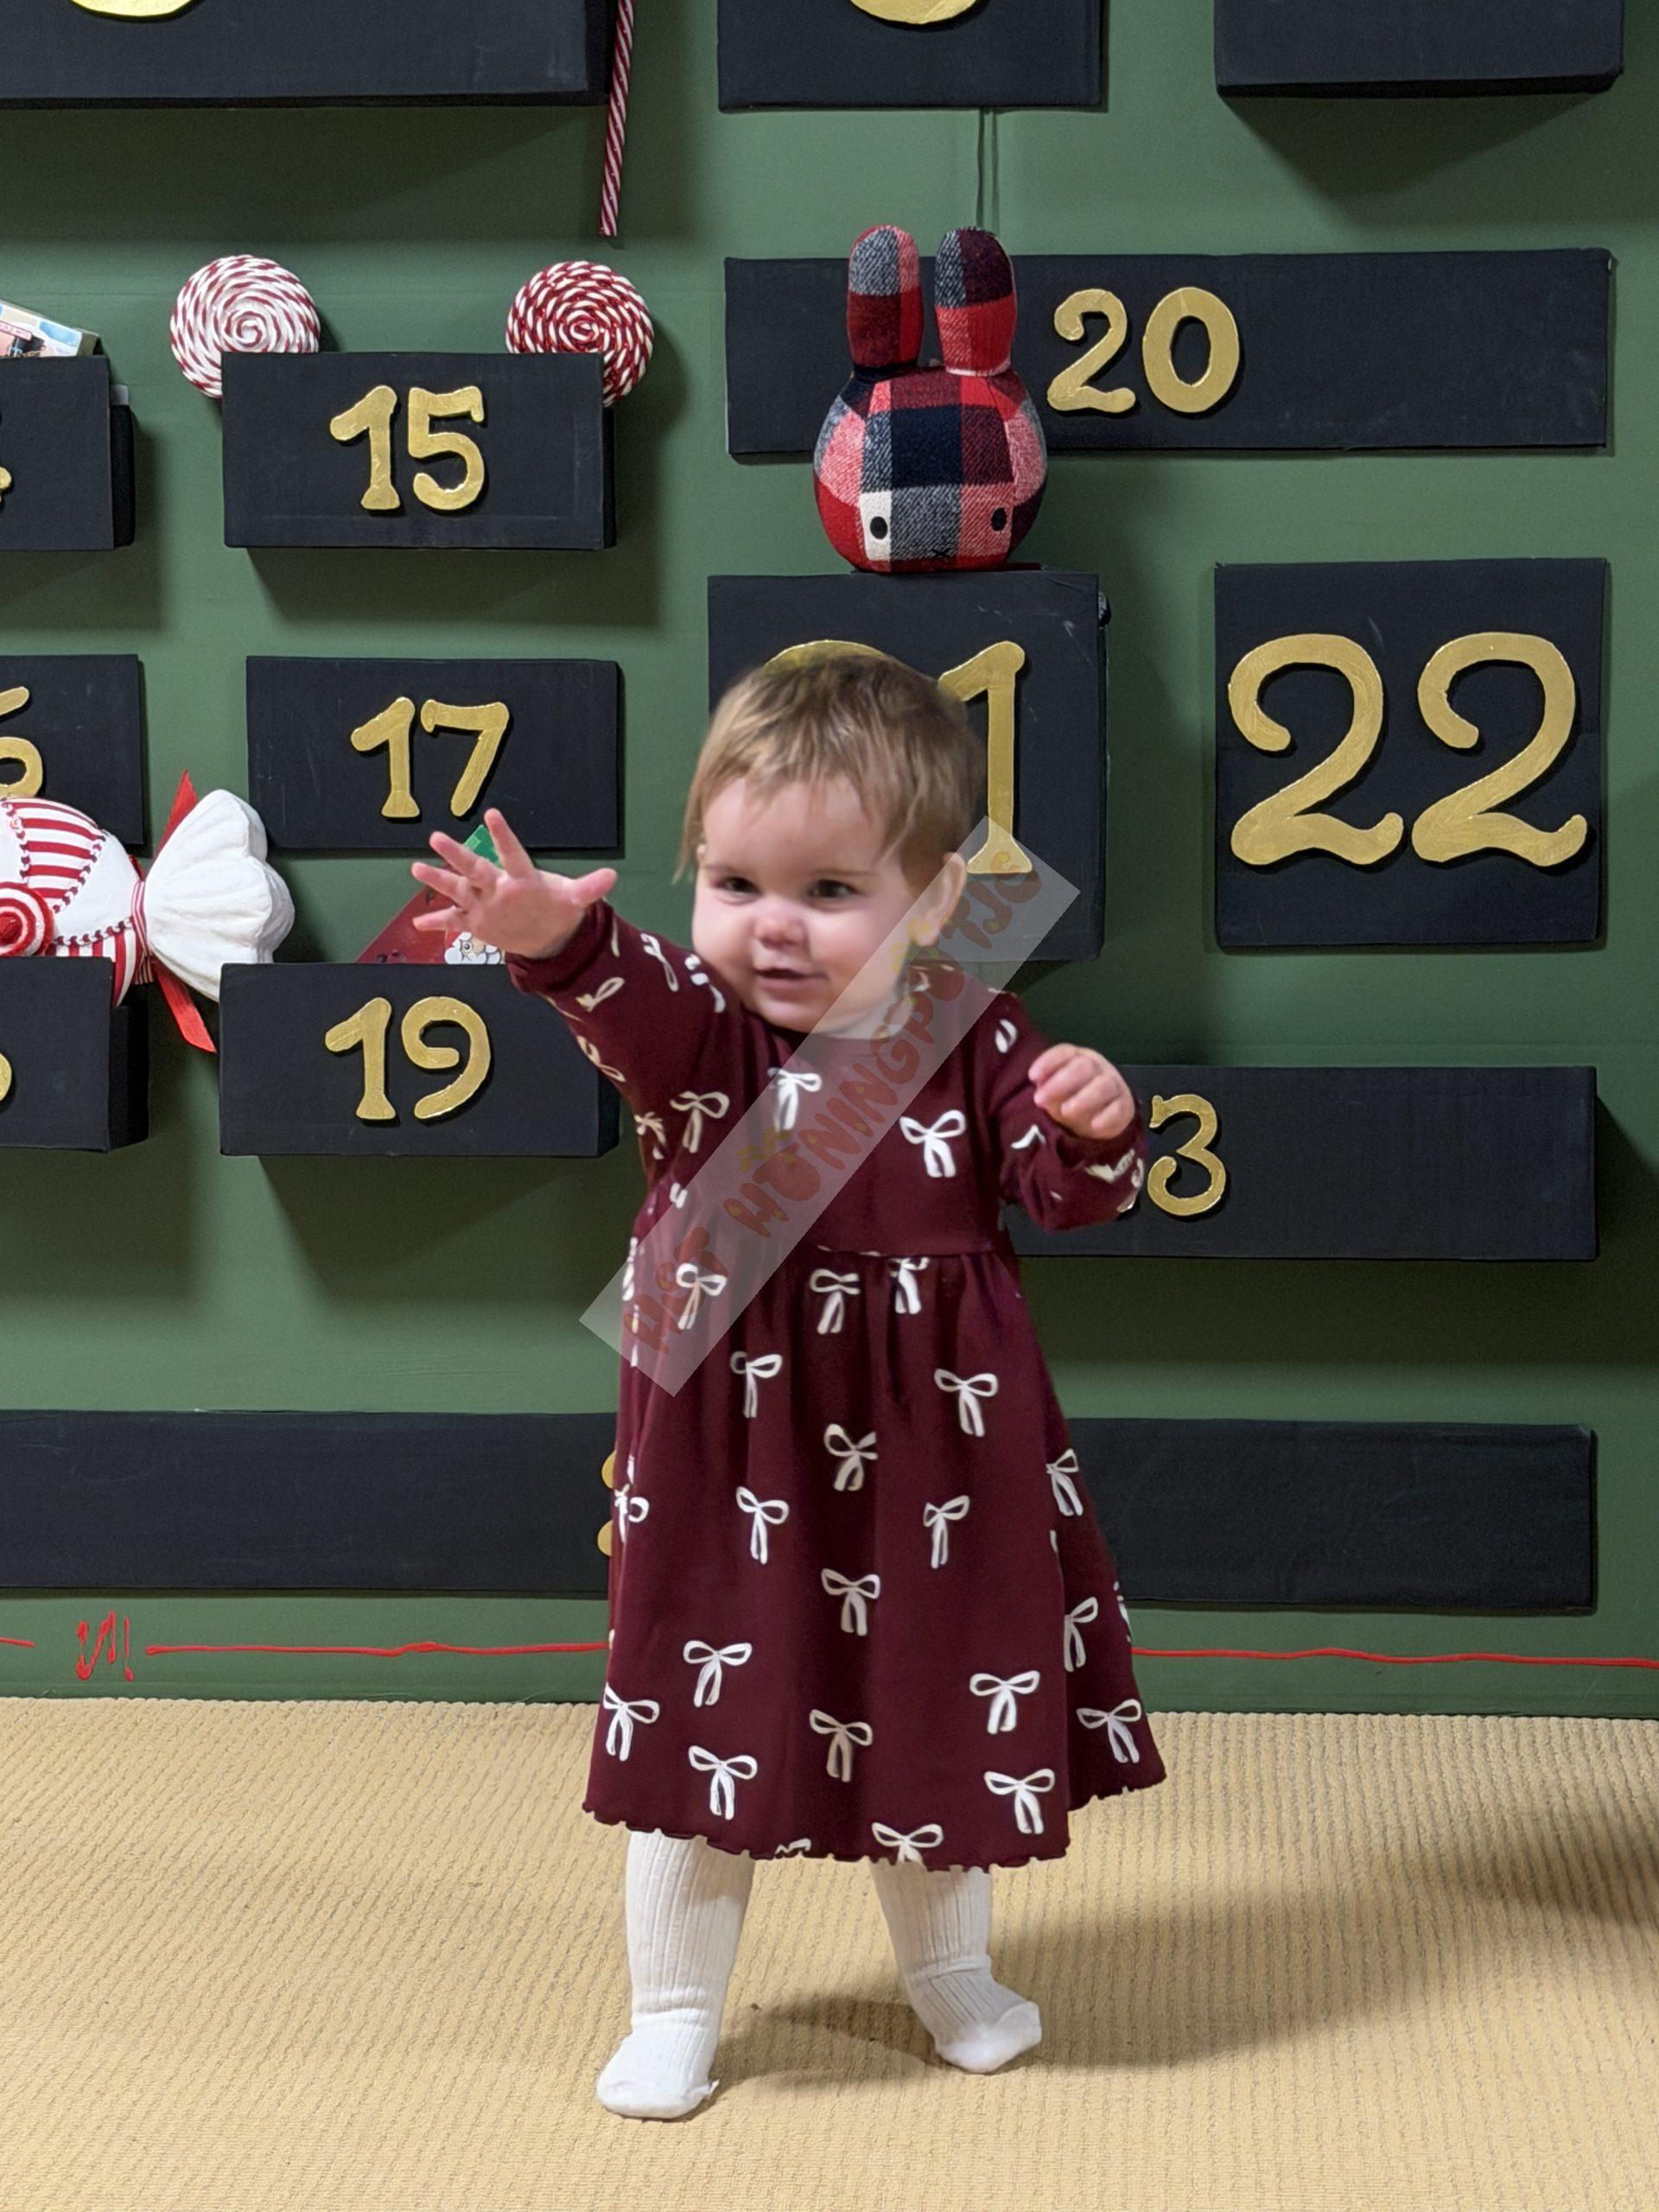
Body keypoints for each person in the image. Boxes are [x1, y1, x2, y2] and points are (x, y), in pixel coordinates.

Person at [408, 652, 1166, 2120]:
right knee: (702, 1716)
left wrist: (1093, 1124)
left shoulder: (978, 1035)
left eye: (830, 891)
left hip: (938, 1449)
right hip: (730, 1444)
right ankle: (675, 2007)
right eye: (734, 882)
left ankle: (951, 1972)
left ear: (937, 902)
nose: (773, 925)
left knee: (936, 1699)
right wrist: (550, 937)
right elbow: (617, 987)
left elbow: (1063, 1192)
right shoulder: (704, 1029)